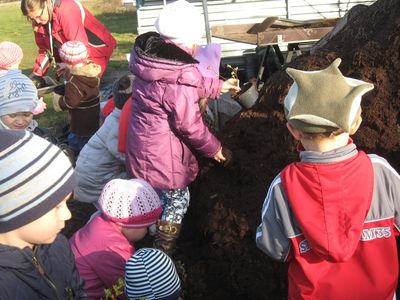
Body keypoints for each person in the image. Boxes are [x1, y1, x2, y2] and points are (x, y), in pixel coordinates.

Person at [255, 58, 400, 299]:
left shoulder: (282, 187)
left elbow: (274, 247)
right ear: (355, 124)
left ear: (293, 130)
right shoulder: (380, 171)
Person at [126, 0, 240, 256]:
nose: (197, 46)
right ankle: (162, 254)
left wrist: (216, 87)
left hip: (144, 146)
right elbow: (189, 124)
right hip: (164, 156)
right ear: (188, 42)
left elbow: (182, 86)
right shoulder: (179, 72)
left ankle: (146, 236)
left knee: (152, 199)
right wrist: (215, 149)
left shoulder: (156, 60)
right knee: (177, 199)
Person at [0, 129, 87, 299]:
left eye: (66, 202)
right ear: (14, 211)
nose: (67, 215)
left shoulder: (57, 245)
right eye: (56, 206)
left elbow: (78, 290)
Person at [69, 178, 163, 299]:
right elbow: (130, 292)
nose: (148, 230)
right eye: (146, 226)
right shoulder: (113, 250)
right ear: (128, 224)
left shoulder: (98, 222)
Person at [20, 0, 116, 86]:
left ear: (46, 2)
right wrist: (36, 74)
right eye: (31, 18)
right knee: (70, 85)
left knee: (82, 88)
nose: (37, 21)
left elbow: (81, 48)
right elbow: (45, 51)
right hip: (73, 55)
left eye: (38, 16)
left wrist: (67, 66)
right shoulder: (38, 22)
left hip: (95, 51)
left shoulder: (66, 10)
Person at [74, 75, 133, 206]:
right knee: (134, 184)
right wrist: (135, 162)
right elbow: (118, 150)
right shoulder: (119, 124)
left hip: (89, 171)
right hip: (96, 178)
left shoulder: (115, 115)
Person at [52, 40, 101, 154]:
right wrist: (68, 67)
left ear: (66, 60)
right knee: (91, 137)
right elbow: (77, 66)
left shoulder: (74, 80)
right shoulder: (91, 69)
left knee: (77, 142)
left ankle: (76, 156)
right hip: (93, 114)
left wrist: (58, 101)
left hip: (80, 120)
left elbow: (71, 102)